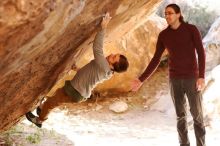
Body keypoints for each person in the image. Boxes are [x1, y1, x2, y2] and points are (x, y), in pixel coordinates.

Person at [26, 13, 129, 128]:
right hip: (77, 91)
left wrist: (103, 27)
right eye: (115, 54)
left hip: (75, 92)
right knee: (57, 94)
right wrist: (77, 69)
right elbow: (90, 76)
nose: (112, 54)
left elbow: (97, 48)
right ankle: (41, 109)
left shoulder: (104, 66)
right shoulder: (107, 71)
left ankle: (40, 120)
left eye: (114, 57)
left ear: (113, 66)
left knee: (52, 103)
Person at [131, 4, 206, 146]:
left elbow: (201, 53)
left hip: (192, 79)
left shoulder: (191, 30)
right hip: (175, 80)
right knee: (180, 117)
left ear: (179, 14)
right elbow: (156, 59)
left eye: (170, 13)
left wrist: (201, 76)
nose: (167, 16)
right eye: (165, 13)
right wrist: (141, 79)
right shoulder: (164, 35)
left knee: (197, 116)